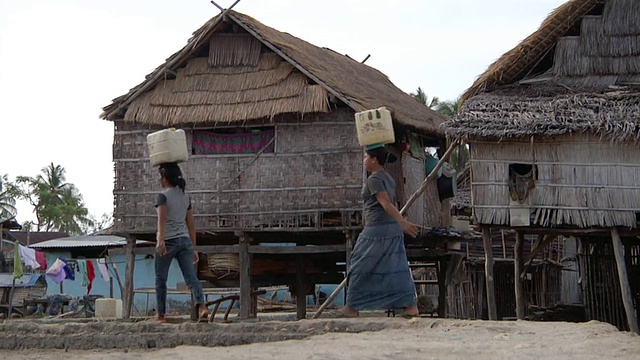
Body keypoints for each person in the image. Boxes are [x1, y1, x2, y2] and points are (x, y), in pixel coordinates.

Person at [342, 145, 420, 318]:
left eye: (366, 157)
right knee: (397, 268)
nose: (364, 160)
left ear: (374, 160)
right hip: (390, 229)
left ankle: (352, 306)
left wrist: (403, 222)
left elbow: (385, 203)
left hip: (377, 230)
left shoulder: (374, 180)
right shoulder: (388, 178)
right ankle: (410, 306)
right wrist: (400, 223)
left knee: (359, 264)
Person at [154, 163, 207, 322]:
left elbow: (161, 220)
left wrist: (161, 240)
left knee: (161, 278)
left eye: (161, 176)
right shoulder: (186, 197)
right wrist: (194, 248)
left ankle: (161, 314)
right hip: (185, 240)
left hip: (168, 240)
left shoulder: (162, 196)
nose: (160, 180)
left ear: (166, 178)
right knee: (191, 278)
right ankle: (202, 306)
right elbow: (191, 225)